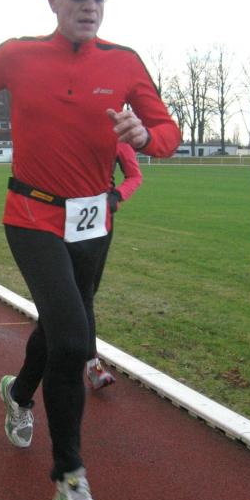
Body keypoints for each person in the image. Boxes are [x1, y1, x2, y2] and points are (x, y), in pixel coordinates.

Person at [0, 0, 180, 500]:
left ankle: (18, 393)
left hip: (93, 221)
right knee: (76, 342)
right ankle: (70, 479)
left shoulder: (125, 62)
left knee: (63, 327)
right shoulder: (17, 54)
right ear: (53, 0)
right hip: (32, 215)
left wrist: (145, 136)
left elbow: (168, 133)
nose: (90, 6)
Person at [86, 140, 143, 390]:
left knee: (87, 293)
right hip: (60, 217)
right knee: (75, 296)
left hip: (99, 221)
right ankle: (91, 364)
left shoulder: (118, 137)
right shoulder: (70, 128)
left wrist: (117, 196)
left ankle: (88, 362)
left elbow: (134, 175)